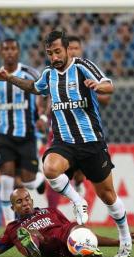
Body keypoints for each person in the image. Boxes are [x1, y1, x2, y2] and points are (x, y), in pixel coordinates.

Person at [0, 31, 133, 257]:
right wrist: (8, 78)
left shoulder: (83, 66)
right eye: (49, 53)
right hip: (64, 142)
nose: (54, 57)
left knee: (107, 195)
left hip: (92, 142)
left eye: (57, 52)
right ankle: (78, 201)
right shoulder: (48, 74)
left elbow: (109, 86)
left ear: (67, 49)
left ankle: (124, 239)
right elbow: (34, 87)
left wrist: (97, 86)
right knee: (50, 168)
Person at [0, 188, 134, 257]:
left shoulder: (50, 211)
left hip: (67, 240)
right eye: (19, 202)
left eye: (27, 199)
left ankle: (86, 247)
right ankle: (34, 243)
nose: (24, 203)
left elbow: (73, 227)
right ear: (14, 208)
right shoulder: (12, 228)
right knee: (35, 236)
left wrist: (119, 241)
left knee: (78, 231)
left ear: (32, 201)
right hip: (49, 246)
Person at [0, 38, 45, 226]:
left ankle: (39, 179)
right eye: (5, 48)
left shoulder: (30, 73)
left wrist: (43, 118)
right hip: (4, 135)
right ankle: (9, 225)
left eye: (13, 48)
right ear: (0, 52)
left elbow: (44, 97)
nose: (9, 52)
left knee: (28, 180)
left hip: (27, 135)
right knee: (5, 176)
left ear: (18, 51)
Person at [44, 35, 111, 207]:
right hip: (60, 130)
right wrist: (44, 114)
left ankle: (79, 185)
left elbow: (106, 95)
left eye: (76, 48)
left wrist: (93, 87)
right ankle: (60, 207)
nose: (72, 51)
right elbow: (43, 96)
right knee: (53, 169)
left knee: (83, 171)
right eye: (70, 48)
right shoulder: (52, 72)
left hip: (86, 128)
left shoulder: (84, 68)